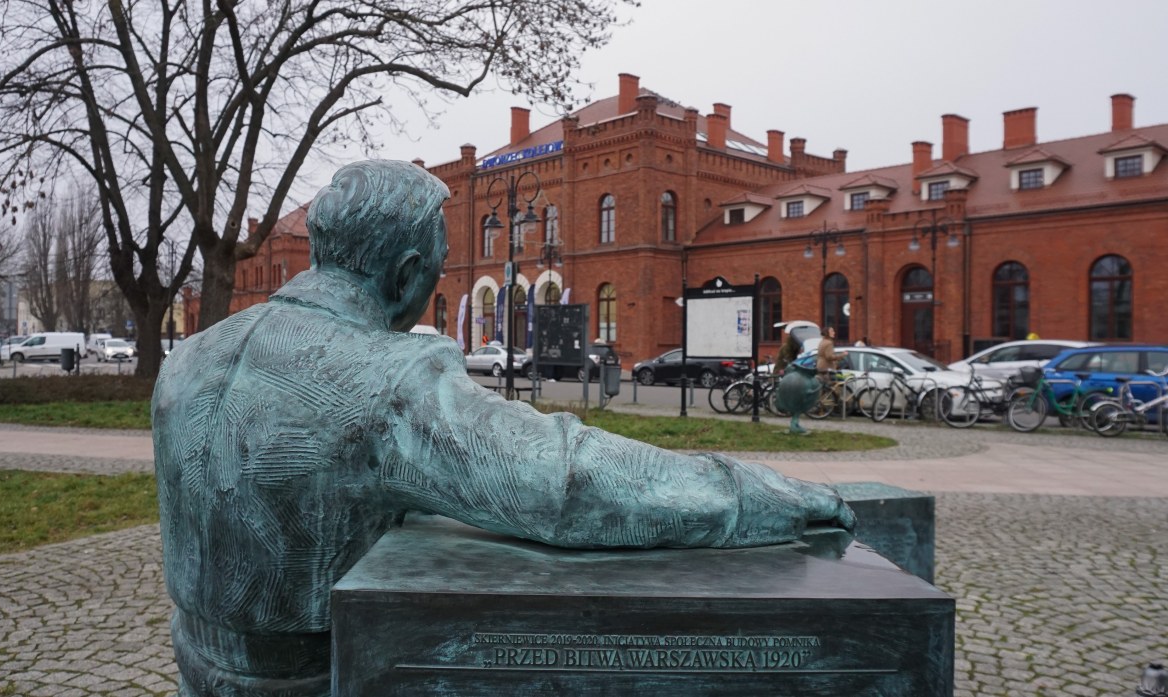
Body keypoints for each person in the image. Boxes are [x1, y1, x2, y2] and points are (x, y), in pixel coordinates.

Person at [152, 160, 854, 697]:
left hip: (198, 658)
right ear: (404, 275)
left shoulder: (190, 357)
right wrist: (751, 493)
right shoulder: (385, 379)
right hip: (322, 674)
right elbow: (559, 477)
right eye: (432, 271)